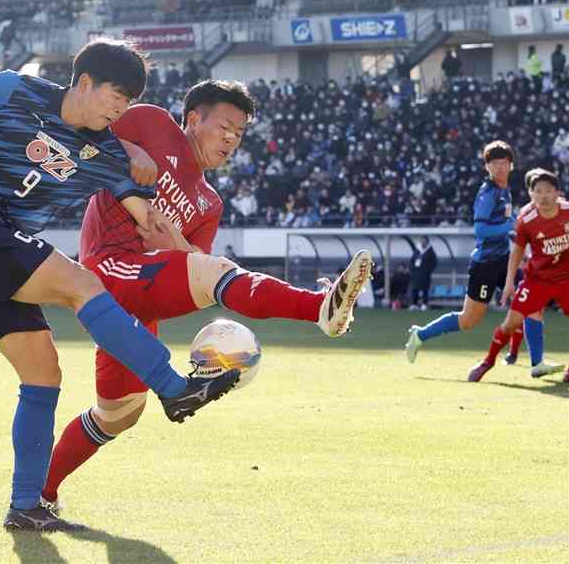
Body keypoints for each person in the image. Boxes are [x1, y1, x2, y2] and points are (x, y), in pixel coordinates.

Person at [0, 39, 239, 533]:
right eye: (113, 97)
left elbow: (149, 218)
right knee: (82, 284)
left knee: (44, 373)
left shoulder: (104, 152)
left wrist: (207, 269)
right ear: (83, 83)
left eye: (127, 101)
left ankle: (26, 505)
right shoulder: (18, 90)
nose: (119, 109)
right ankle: (174, 388)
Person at [40, 81, 373, 512]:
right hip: (108, 269)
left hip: (141, 295)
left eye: (240, 133)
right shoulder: (153, 122)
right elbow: (86, 130)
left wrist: (177, 240)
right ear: (194, 118)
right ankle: (318, 308)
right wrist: (132, 151)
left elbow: (193, 264)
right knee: (215, 272)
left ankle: (40, 493)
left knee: (119, 413)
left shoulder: (209, 203)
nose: (232, 139)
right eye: (225, 126)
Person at [406, 141, 515, 363]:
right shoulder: (488, 193)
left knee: (528, 302)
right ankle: (420, 334)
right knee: (469, 320)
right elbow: (480, 230)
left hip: (504, 259)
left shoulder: (506, 190)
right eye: (495, 163)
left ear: (511, 165)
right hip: (485, 264)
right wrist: (510, 226)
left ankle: (530, 359)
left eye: (504, 163)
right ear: (487, 167)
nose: (501, 167)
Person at [467, 168, 569, 382]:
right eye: (538, 191)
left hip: (567, 277)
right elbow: (517, 252)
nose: (543, 196)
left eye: (548, 191)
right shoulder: (526, 219)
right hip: (538, 279)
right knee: (510, 323)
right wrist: (508, 284)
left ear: (558, 193)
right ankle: (488, 362)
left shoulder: (568, 211)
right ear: (531, 194)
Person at [409, 236, 437, 311]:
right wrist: (412, 271)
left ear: (427, 241)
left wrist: (427, 271)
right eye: (421, 240)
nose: (422, 242)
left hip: (425, 274)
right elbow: (412, 261)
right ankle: (414, 304)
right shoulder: (417, 250)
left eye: (424, 240)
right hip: (416, 273)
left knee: (425, 290)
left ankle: (424, 304)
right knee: (415, 289)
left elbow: (433, 263)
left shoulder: (430, 251)